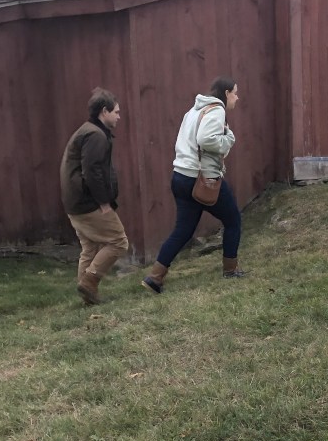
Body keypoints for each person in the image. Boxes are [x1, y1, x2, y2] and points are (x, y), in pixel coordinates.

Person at [143, 76, 246, 293]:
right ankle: (230, 270)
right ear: (226, 93)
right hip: (202, 179)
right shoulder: (217, 110)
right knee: (233, 220)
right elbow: (206, 139)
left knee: (183, 230)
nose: (237, 97)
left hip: (180, 176)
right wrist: (229, 139)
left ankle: (155, 277)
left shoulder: (192, 111)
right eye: (235, 93)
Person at [60, 87, 129, 306]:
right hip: (88, 204)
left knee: (90, 248)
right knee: (119, 242)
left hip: (75, 203)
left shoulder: (88, 131)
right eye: (116, 112)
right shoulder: (95, 135)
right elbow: (92, 172)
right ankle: (89, 281)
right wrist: (103, 203)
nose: (119, 116)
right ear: (104, 111)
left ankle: (87, 297)